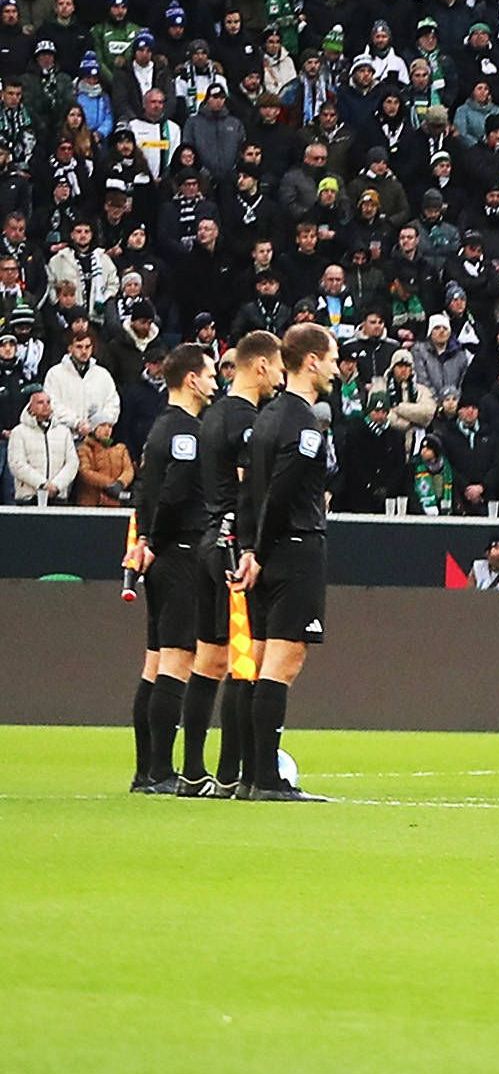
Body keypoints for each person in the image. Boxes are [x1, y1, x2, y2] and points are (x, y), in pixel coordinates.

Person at [228, 323, 339, 801]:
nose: (336, 367)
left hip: (268, 552)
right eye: (331, 358)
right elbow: (279, 494)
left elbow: (250, 494)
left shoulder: (266, 418)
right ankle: (267, 780)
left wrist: (251, 550)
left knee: (263, 661)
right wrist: (262, 548)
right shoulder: (303, 424)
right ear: (311, 361)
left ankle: (254, 776)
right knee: (283, 660)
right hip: (295, 549)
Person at [120, 343, 215, 794]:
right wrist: (155, 543)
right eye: (210, 373)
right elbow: (174, 493)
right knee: (178, 660)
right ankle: (161, 772)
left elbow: (145, 492)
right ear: (192, 379)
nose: (215, 380)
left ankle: (146, 771)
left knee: (155, 662)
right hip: (178, 553)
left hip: (161, 552)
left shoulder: (160, 428)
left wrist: (142, 542)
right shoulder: (187, 433)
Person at [189, 333, 275, 797]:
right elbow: (249, 485)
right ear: (259, 366)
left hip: (207, 539)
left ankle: (191, 771)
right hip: (230, 546)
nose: (280, 374)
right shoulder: (246, 419)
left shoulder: (212, 413)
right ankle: (231, 776)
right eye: (277, 364)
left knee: (210, 660)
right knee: (244, 664)